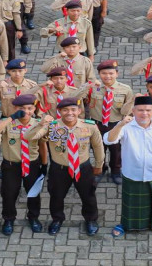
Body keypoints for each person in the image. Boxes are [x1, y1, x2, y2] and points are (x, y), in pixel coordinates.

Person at [25, 98, 105, 236]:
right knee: (56, 196)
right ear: (59, 112)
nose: (70, 113)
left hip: (83, 167)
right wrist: (40, 124)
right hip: (59, 169)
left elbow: (98, 146)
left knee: (88, 196)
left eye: (73, 110)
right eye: (65, 110)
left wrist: (99, 164)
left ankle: (91, 220)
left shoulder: (90, 126)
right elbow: (29, 137)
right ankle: (57, 219)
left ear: (79, 111)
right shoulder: (52, 126)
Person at [105, 95, 152, 238]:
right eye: (140, 110)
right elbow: (109, 140)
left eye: (148, 110)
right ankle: (125, 224)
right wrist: (120, 124)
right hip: (132, 173)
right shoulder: (126, 127)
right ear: (134, 111)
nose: (144, 113)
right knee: (130, 204)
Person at [0, 94, 46, 235]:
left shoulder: (39, 124)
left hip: (32, 164)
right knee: (9, 194)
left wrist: (44, 165)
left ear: (34, 109)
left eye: (29, 108)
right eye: (22, 108)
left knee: (33, 193)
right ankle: (9, 219)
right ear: (15, 108)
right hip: (11, 165)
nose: (26, 111)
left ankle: (33, 218)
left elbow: (42, 145)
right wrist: (12, 117)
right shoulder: (8, 123)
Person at [88, 60, 134, 184]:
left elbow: (127, 110)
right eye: (104, 73)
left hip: (115, 124)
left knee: (116, 150)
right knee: (98, 148)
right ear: (99, 74)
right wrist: (86, 86)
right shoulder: (93, 87)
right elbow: (77, 98)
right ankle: (101, 168)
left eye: (111, 73)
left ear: (117, 74)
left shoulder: (125, 89)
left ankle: (116, 171)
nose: (107, 76)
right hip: (96, 124)